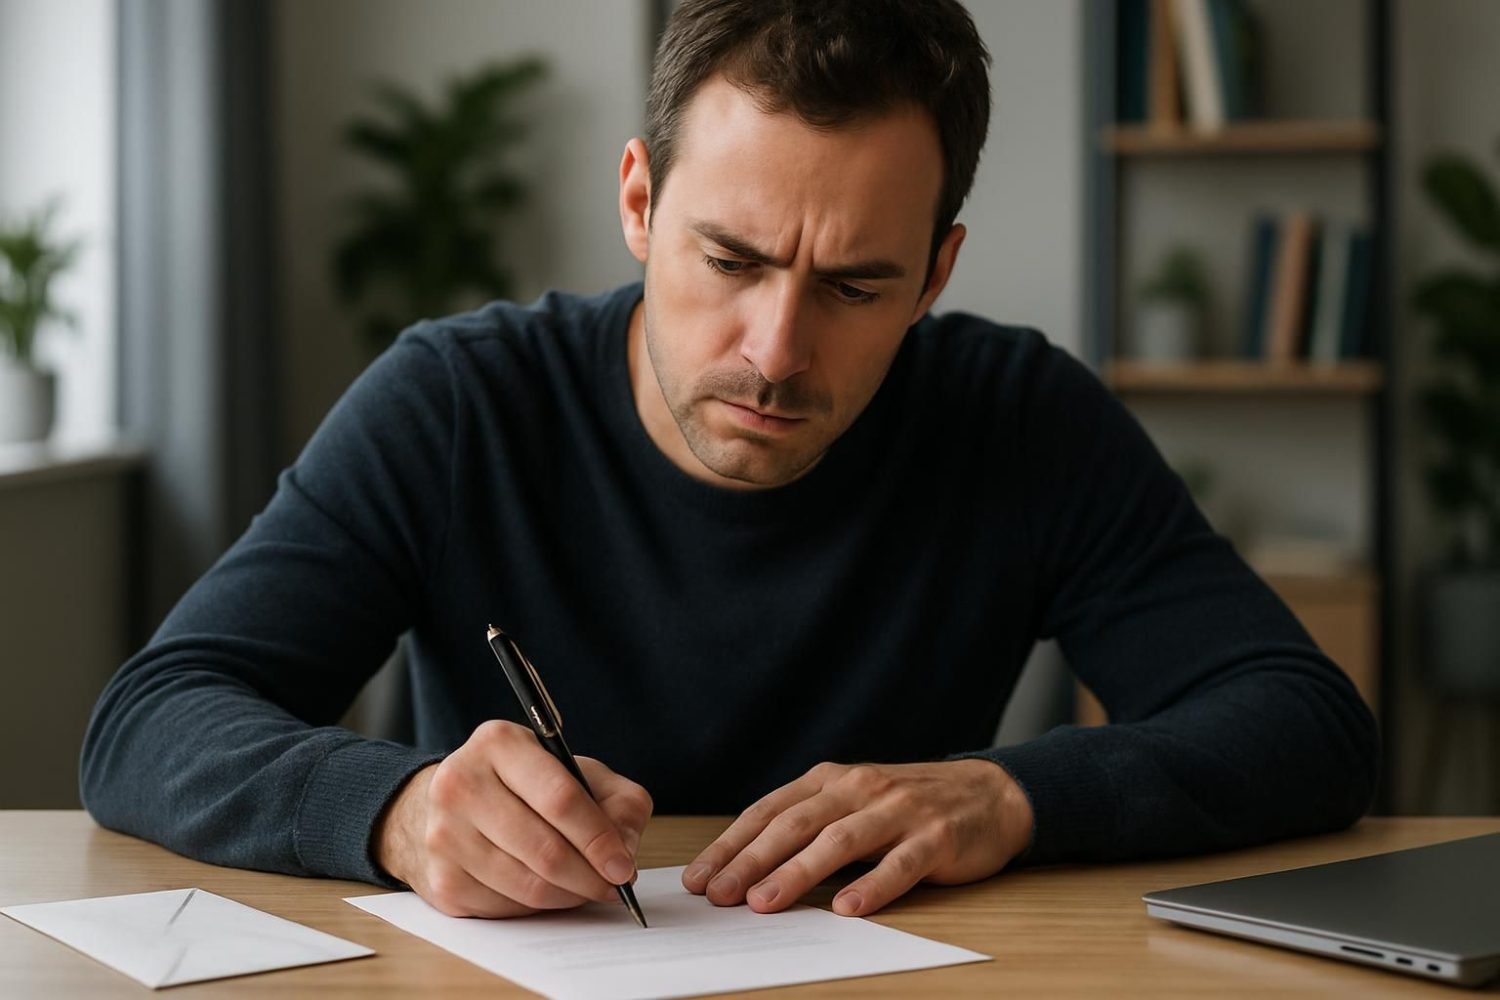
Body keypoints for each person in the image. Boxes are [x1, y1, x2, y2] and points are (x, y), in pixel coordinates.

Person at [81, 0, 1378, 922]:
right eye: (732, 260)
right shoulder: (460, 401)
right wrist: (399, 810)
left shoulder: (1017, 416)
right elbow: (148, 722)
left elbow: (1307, 726)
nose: (777, 349)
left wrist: (1011, 798)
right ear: (640, 203)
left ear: (937, 269)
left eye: (859, 284)